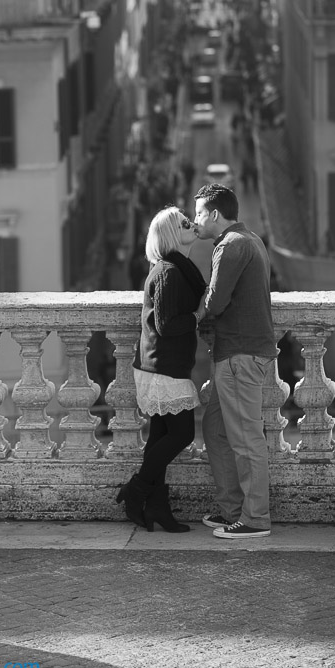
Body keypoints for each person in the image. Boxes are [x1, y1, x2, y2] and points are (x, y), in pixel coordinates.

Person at [192, 184, 277, 539]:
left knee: (245, 440)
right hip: (235, 353)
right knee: (215, 430)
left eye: (198, 213)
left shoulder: (229, 246)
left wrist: (191, 319)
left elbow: (215, 301)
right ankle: (232, 510)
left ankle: (255, 518)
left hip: (240, 355)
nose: (195, 220)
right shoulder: (252, 240)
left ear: (214, 214)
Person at [117, 206, 206, 532]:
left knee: (160, 437)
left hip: (160, 365)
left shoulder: (172, 268)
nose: (192, 223)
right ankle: (135, 491)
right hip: (163, 368)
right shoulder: (169, 271)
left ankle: (156, 507)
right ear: (171, 234)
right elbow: (168, 324)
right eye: (184, 222)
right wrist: (199, 316)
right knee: (182, 434)